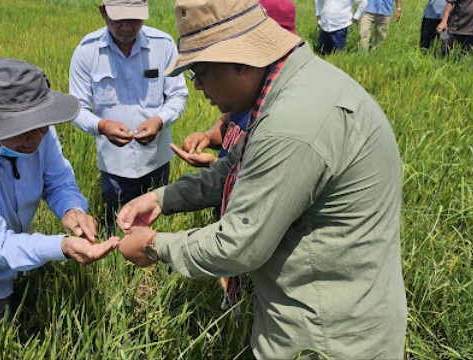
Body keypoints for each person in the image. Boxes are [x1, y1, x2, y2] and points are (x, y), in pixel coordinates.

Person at [117, 0, 407, 358]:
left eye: (201, 73)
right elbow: (236, 169)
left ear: (240, 59)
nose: (201, 89)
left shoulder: (290, 126)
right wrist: (162, 198)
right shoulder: (293, 86)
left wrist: (153, 246)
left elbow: (238, 245)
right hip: (330, 315)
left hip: (325, 340)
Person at [0, 58, 119, 347]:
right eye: (23, 129)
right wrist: (61, 246)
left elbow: (58, 180)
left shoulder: (39, 132)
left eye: (43, 124)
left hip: (15, 250)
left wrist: (71, 208)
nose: (39, 136)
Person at [68, 0, 188, 234]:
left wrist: (159, 121)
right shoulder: (87, 51)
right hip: (115, 165)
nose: (127, 27)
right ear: (103, 12)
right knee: (118, 225)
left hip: (157, 159)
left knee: (155, 226)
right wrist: (102, 126)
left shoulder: (162, 46)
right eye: (119, 18)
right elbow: (76, 108)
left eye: (134, 19)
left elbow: (178, 95)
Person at [171, 0, 298, 170]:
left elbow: (255, 177)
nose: (199, 86)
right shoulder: (244, 93)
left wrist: (215, 165)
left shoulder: (277, 113)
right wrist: (207, 136)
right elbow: (226, 122)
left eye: (203, 72)